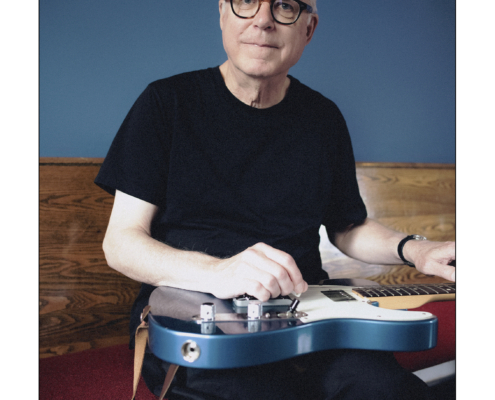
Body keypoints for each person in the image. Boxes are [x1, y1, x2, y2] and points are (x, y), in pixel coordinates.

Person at [95, 1, 455, 399]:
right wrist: (219, 272)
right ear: (223, 13)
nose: (263, 20)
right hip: (194, 317)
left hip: (308, 314)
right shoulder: (166, 102)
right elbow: (121, 243)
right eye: (247, 2)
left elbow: (348, 227)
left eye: (284, 5)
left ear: (308, 28)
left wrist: (416, 250)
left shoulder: (324, 117)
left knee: (383, 388)